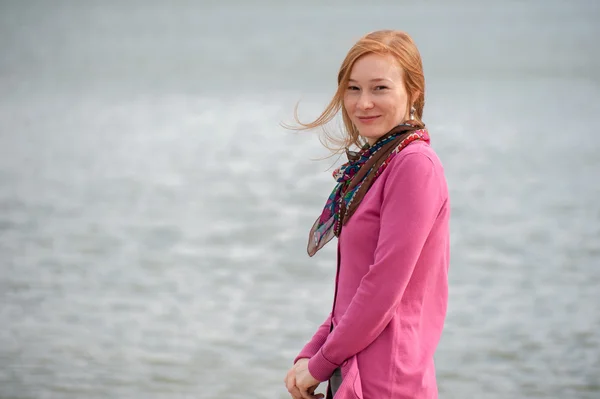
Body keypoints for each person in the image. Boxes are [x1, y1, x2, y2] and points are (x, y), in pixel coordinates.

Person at [283, 30, 450, 399]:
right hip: (355, 372)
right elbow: (356, 291)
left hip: (388, 382)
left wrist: (321, 362)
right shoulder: (377, 165)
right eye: (353, 88)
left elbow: (382, 289)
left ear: (413, 92)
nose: (363, 103)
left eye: (379, 88)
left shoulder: (414, 166)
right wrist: (314, 353)